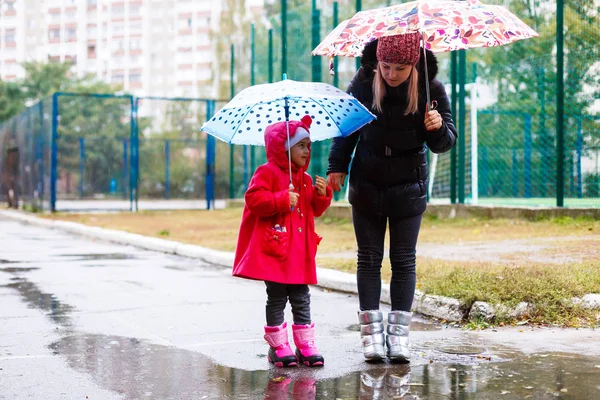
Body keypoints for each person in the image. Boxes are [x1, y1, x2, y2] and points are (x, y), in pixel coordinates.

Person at [326, 33, 457, 363]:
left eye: (400, 68)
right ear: (378, 61)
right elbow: (346, 127)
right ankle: (371, 337)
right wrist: (336, 165)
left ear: (413, 64)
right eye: (386, 66)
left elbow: (446, 142)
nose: (391, 74)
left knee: (403, 260)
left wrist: (437, 127)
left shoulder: (432, 88)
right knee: (368, 258)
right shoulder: (364, 80)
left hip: (408, 184)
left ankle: (398, 337)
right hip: (368, 180)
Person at [233, 115, 333, 368]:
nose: (307, 150)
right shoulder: (266, 173)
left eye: (309, 145)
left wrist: (323, 196)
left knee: (301, 296)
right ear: (283, 147)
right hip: (276, 250)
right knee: (277, 296)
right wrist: (280, 199)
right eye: (301, 145)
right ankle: (278, 346)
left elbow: (315, 210)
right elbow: (253, 200)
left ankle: (306, 344)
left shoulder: (307, 179)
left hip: (299, 252)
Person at [3, 133, 20, 209]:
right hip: (10, 169)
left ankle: (14, 202)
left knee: (13, 185)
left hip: (13, 169)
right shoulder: (10, 151)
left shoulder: (12, 151)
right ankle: (12, 202)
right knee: (10, 185)